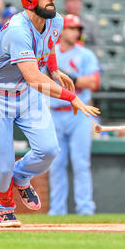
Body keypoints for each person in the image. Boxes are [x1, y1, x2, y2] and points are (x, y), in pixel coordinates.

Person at [0, 0, 100, 227]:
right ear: (30, 0)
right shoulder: (17, 31)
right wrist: (70, 97)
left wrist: (54, 70)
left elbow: (48, 45)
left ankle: (21, 177)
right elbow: (34, 78)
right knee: (3, 164)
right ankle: (3, 204)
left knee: (49, 150)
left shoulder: (56, 22)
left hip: (24, 93)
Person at [47, 14, 100, 215]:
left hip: (78, 113)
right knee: (56, 165)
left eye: (77, 28)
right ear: (62, 31)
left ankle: (85, 209)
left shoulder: (85, 54)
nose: (75, 32)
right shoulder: (52, 54)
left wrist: (69, 79)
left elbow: (93, 83)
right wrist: (75, 81)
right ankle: (57, 210)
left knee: (81, 163)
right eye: (71, 28)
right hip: (55, 112)